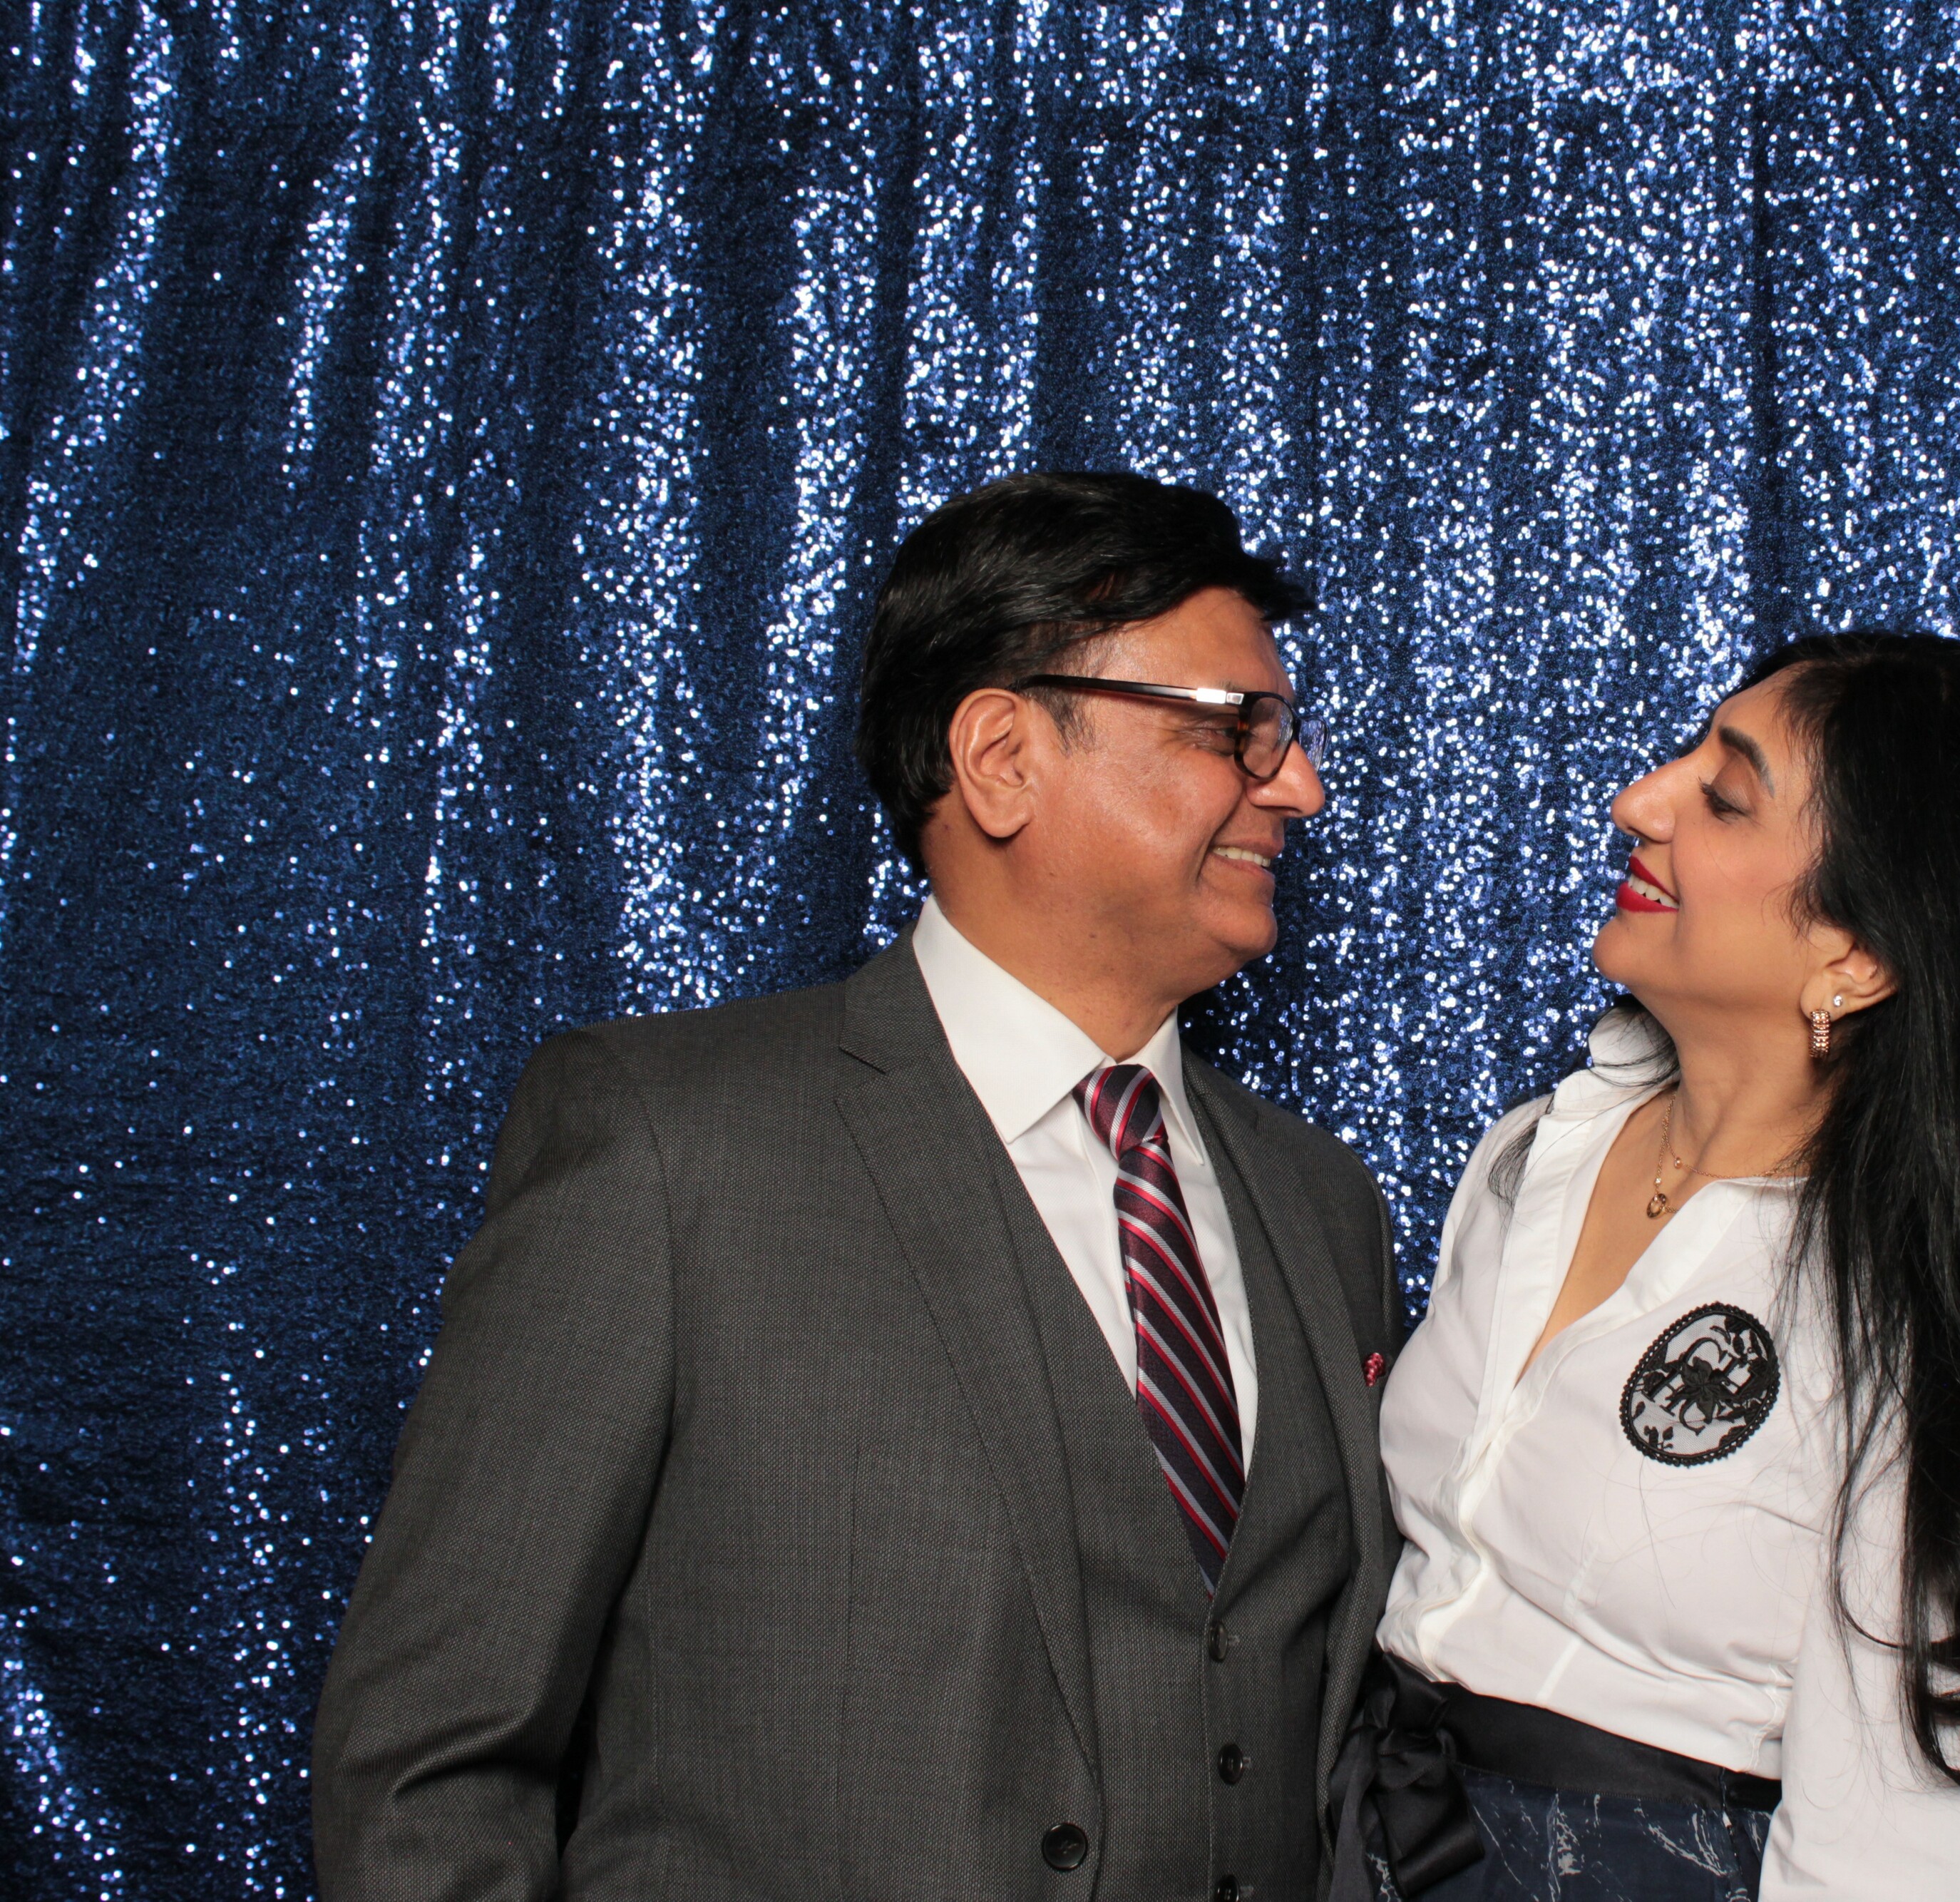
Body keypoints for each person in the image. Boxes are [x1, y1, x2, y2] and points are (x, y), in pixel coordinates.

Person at [313, 471, 1405, 1901]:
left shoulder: (1321, 1202)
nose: (1299, 784)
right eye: (1233, 727)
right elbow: (428, 1768)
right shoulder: (665, 1147)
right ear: (1001, 754)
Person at [1345, 633, 1960, 1901]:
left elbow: (1891, 1861)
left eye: (1724, 796)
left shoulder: (1932, 1330)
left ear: (1856, 958)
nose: (1637, 802)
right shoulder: (1534, 1154)